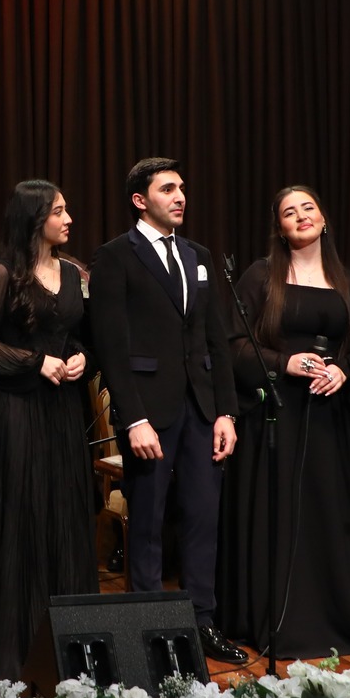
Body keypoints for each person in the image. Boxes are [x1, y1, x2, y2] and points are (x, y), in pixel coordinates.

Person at [87, 157, 249, 666]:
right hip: (148, 412)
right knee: (148, 522)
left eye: (182, 188)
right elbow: (111, 346)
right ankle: (150, 629)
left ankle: (202, 623)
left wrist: (226, 413)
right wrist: (132, 419)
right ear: (140, 200)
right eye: (167, 189)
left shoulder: (198, 255)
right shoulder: (115, 256)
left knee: (203, 518)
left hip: (201, 408)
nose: (180, 196)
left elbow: (216, 339)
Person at [221, 186, 350, 658]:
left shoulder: (348, 282)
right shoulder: (260, 276)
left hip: (332, 417)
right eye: (289, 213)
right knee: (279, 518)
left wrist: (343, 369)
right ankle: (277, 622)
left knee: (329, 517)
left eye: (308, 208)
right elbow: (233, 344)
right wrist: (284, 363)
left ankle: (333, 621)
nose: (301, 216)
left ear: (323, 217)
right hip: (277, 416)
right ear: (279, 228)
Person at [0, 180, 100, 680]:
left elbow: (83, 337)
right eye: (59, 211)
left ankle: (68, 649)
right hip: (16, 412)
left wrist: (81, 358)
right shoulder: (2, 274)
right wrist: (36, 362)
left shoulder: (73, 273)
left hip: (63, 412)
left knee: (65, 518)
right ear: (34, 219)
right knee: (20, 519)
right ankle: (13, 649)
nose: (69, 219)